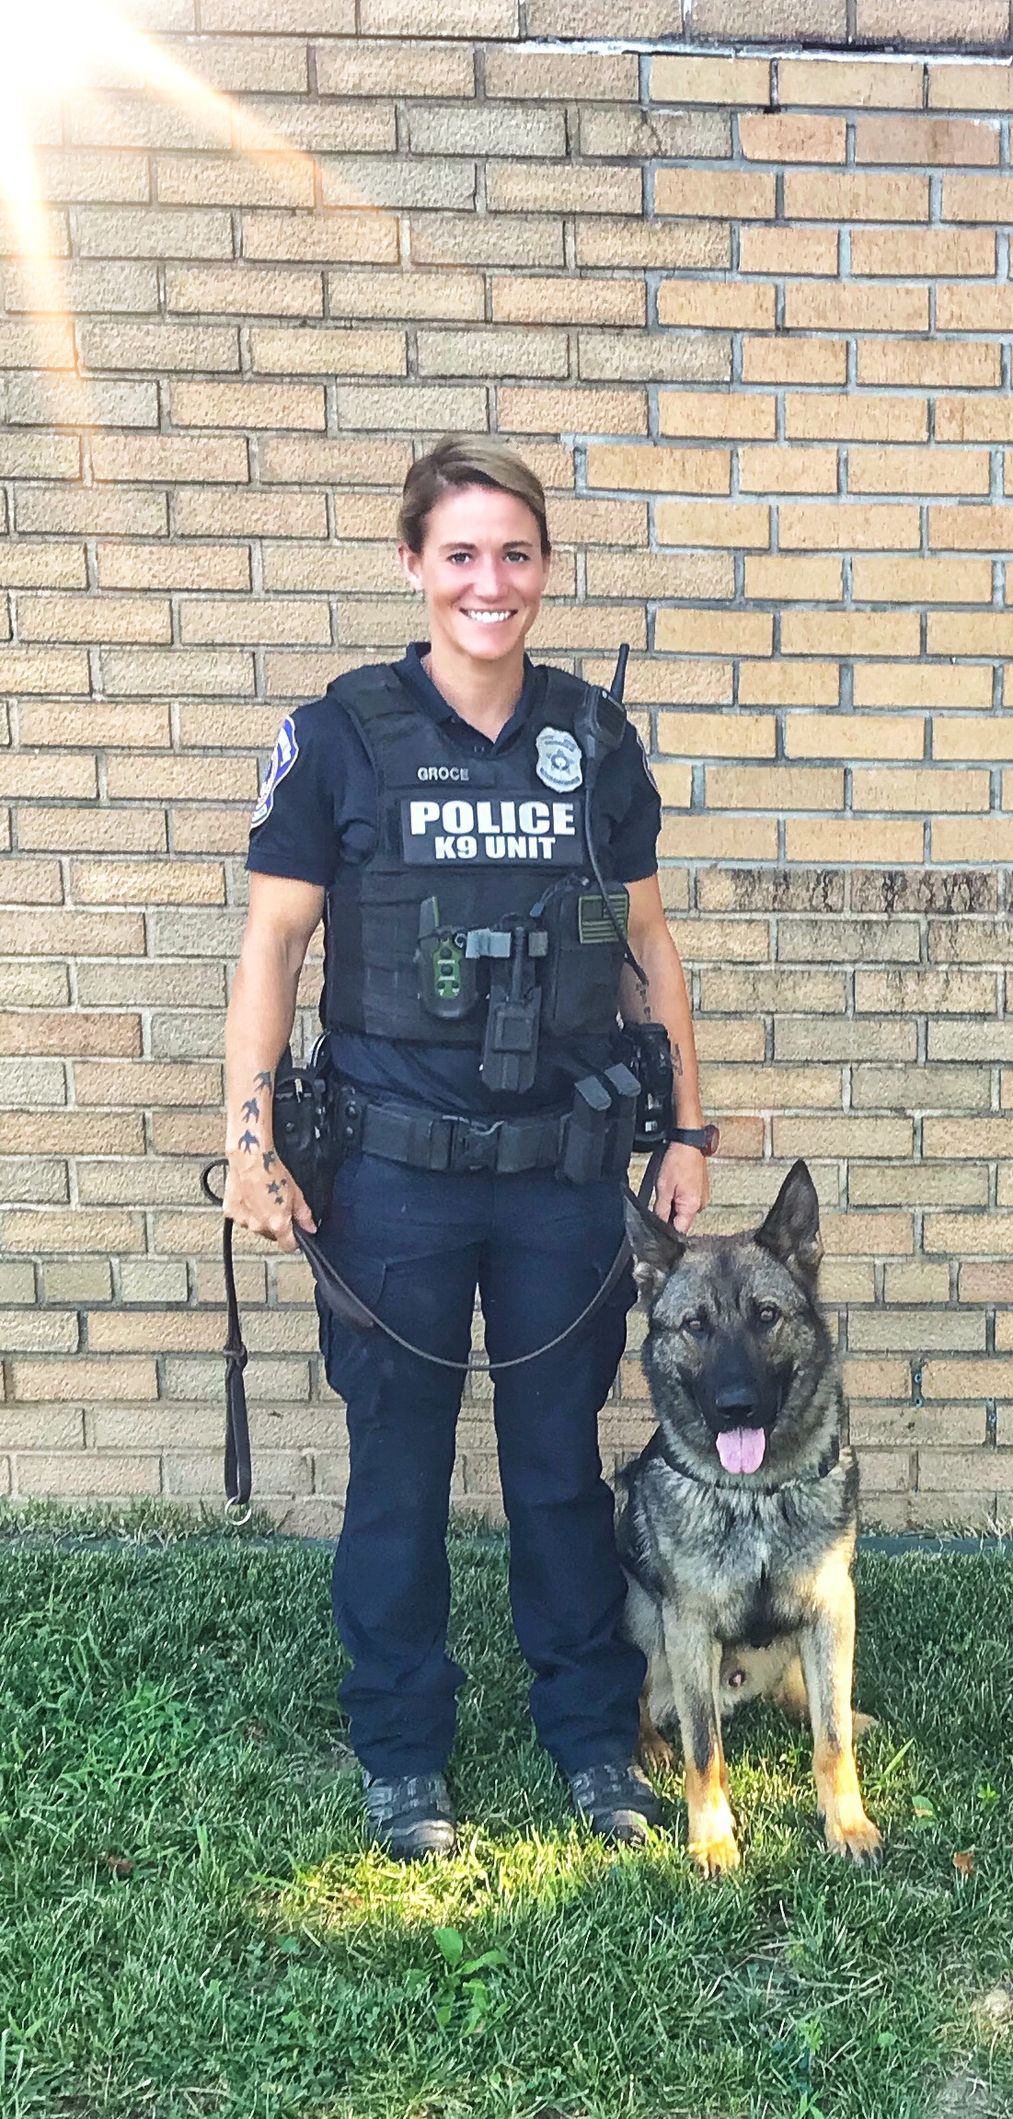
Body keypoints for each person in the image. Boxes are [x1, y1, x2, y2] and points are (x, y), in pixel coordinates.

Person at [222, 436, 716, 1860]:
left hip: (564, 1180)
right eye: (460, 554)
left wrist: (688, 1127)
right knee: (399, 1467)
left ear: (544, 571)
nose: (488, 582)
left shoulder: (593, 740)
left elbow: (648, 944)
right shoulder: (342, 734)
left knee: (558, 1463)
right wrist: (250, 1135)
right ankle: (402, 1754)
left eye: (515, 554)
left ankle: (589, 1742)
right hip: (389, 1179)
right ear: (414, 566)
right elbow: (273, 941)